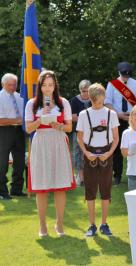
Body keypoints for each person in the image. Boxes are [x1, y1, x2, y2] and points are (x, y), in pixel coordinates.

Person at [25, 70, 75, 237]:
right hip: (41, 143)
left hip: (58, 141)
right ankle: (42, 225)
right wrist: (41, 119)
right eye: (44, 85)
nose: (48, 89)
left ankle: (59, 224)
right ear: (40, 86)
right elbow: (28, 129)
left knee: (60, 186)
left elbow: (69, 128)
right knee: (41, 187)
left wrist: (58, 125)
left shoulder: (63, 103)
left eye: (51, 85)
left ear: (55, 86)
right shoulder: (32, 104)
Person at [76, 83, 119, 237]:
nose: (97, 104)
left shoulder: (111, 114)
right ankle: (92, 224)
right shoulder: (83, 114)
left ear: (104, 98)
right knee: (90, 189)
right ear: (90, 98)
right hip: (90, 154)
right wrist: (87, 153)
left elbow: (116, 138)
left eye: (100, 101)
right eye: (94, 101)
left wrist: (110, 153)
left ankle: (104, 224)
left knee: (106, 189)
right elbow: (79, 138)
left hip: (107, 153)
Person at [105, 61, 136, 185]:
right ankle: (117, 176)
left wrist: (135, 116)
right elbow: (107, 102)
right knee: (117, 148)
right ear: (119, 72)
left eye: (128, 75)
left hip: (134, 119)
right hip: (117, 118)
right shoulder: (112, 85)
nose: (126, 77)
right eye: (124, 75)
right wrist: (118, 114)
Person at [0, 73, 25, 200]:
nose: (12, 87)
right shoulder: (0, 97)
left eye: (14, 84)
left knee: (20, 162)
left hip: (19, 132)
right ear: (3, 84)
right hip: (4, 132)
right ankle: (2, 192)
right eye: (9, 85)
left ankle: (16, 189)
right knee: (2, 162)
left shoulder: (20, 96)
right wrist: (17, 120)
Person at [70, 79, 91, 186]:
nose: (86, 93)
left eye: (87, 91)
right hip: (78, 131)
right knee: (78, 153)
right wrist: (87, 119)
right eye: (83, 91)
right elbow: (73, 117)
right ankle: (80, 177)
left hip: (92, 132)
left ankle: (89, 176)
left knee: (89, 152)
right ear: (80, 91)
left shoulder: (94, 99)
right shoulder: (74, 100)